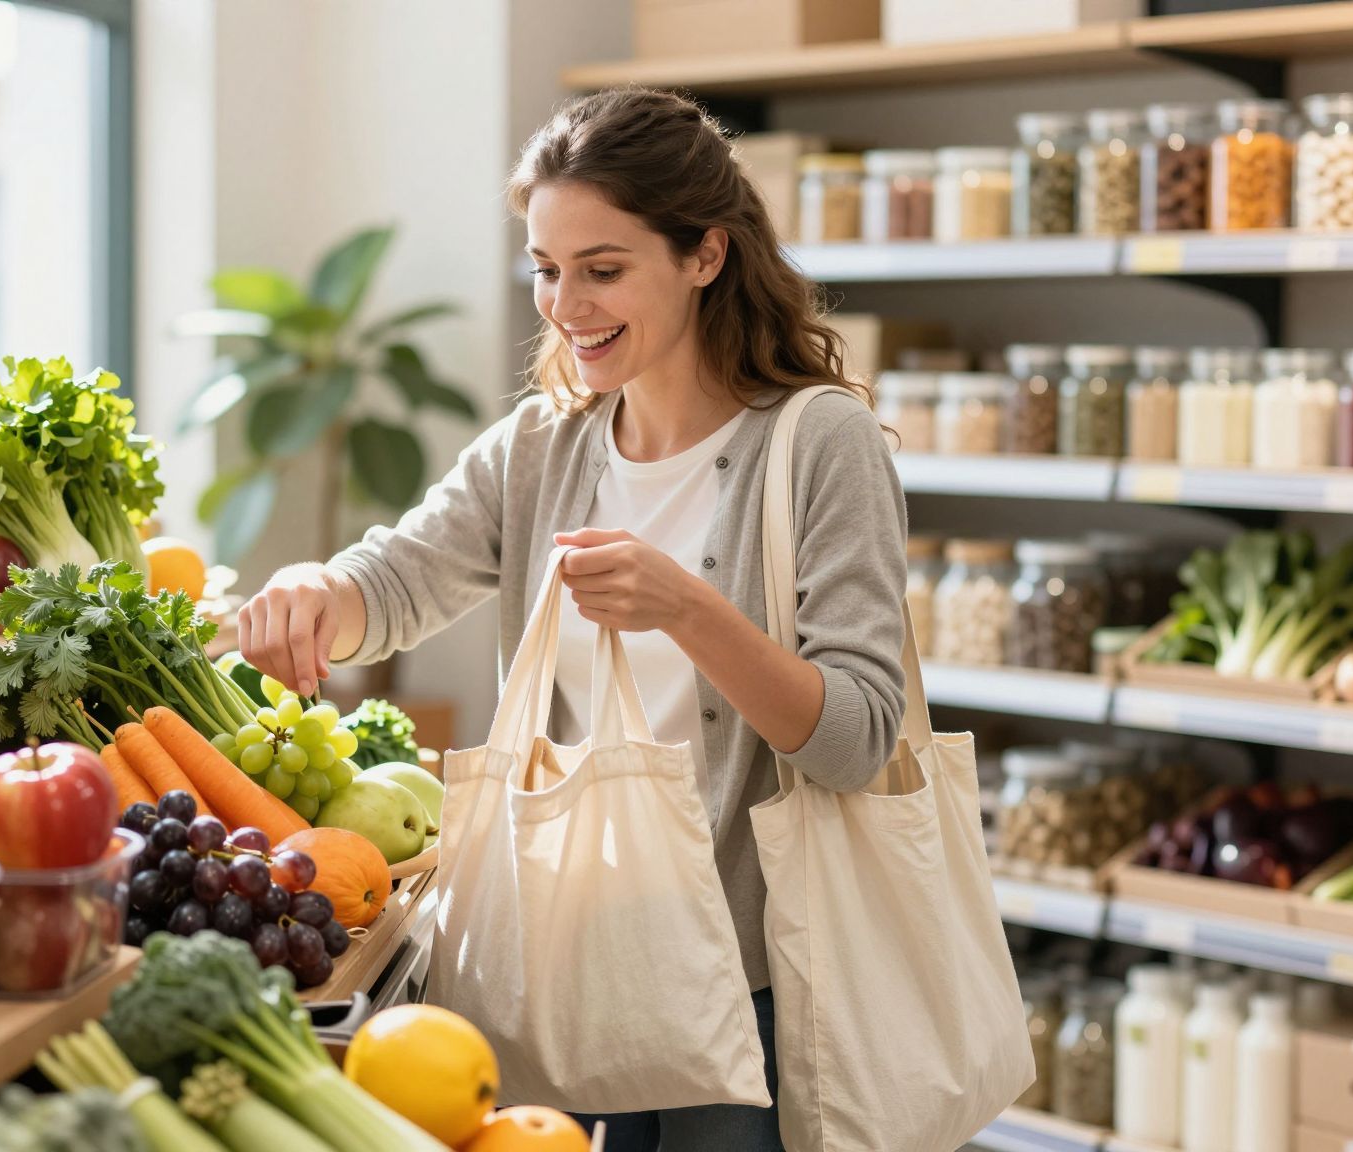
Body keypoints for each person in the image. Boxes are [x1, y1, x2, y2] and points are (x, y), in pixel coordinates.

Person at [237, 86, 909, 1152]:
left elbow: (855, 738)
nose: (564, 305)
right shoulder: (544, 447)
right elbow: (401, 578)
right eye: (546, 271)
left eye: (602, 270)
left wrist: (686, 607)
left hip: (755, 984)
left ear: (704, 256)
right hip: (567, 956)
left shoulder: (821, 444)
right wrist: (319, 591)